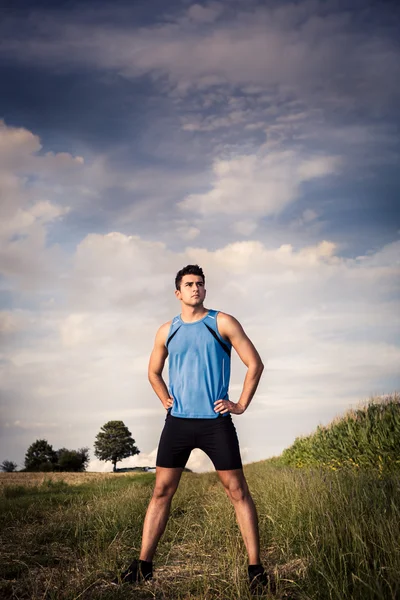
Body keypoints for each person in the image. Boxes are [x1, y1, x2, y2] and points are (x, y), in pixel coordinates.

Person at [115, 264, 273, 593]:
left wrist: (240, 404)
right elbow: (153, 372)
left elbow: (254, 363)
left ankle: (255, 570)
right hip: (179, 423)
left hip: (216, 423)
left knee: (237, 492)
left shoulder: (222, 322)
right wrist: (165, 399)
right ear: (178, 292)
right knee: (161, 492)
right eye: (189, 284)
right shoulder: (166, 330)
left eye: (200, 284)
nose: (196, 289)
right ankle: (143, 566)